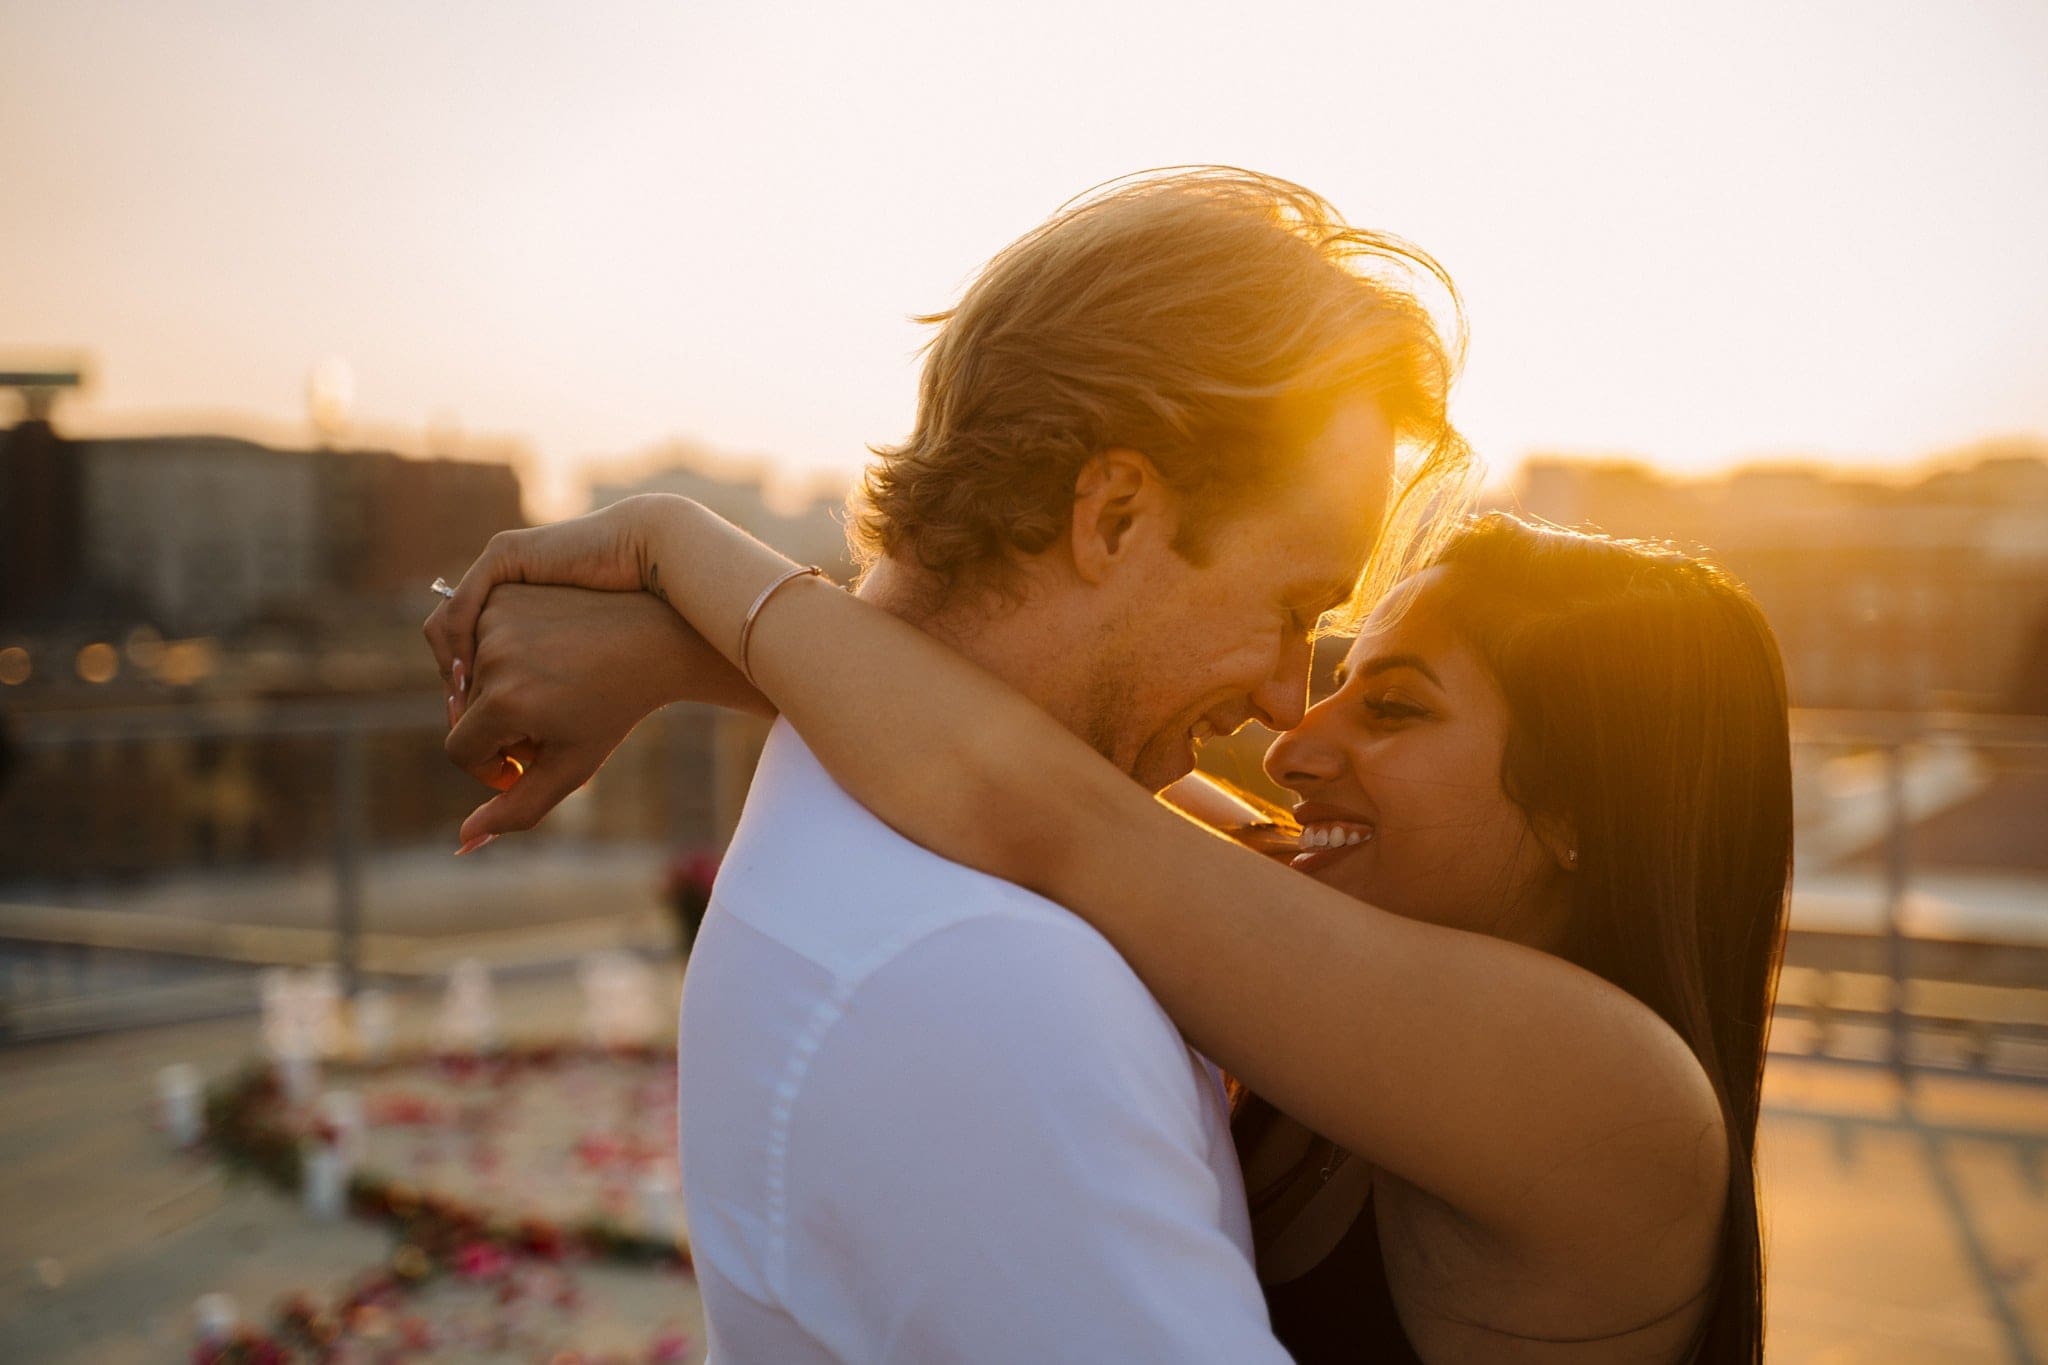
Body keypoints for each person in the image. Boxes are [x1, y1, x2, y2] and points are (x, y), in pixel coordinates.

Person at [428, 167, 1468, 1361]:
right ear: (1116, 513)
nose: (1290, 701)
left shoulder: (868, 803)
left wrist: (692, 625)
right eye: (1291, 607)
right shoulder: (992, 983)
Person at [432, 496, 1791, 1363]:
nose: (1294, 740)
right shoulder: (1348, 936)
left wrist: (676, 551)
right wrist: (683, 656)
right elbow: (1053, 755)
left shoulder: (1618, 1096)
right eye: (1336, 679)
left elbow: (1040, 805)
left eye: (1396, 707)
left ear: (1577, 811)